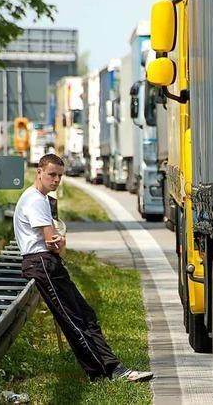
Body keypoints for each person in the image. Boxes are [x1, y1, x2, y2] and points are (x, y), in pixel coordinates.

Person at [13, 153, 153, 382]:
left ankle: (107, 368)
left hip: (46, 263)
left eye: (60, 175)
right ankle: (106, 371)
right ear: (39, 172)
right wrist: (60, 243)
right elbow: (53, 242)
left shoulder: (39, 198)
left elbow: (55, 242)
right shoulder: (35, 200)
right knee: (73, 320)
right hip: (42, 263)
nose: (56, 180)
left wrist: (59, 243)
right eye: (52, 175)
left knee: (86, 314)